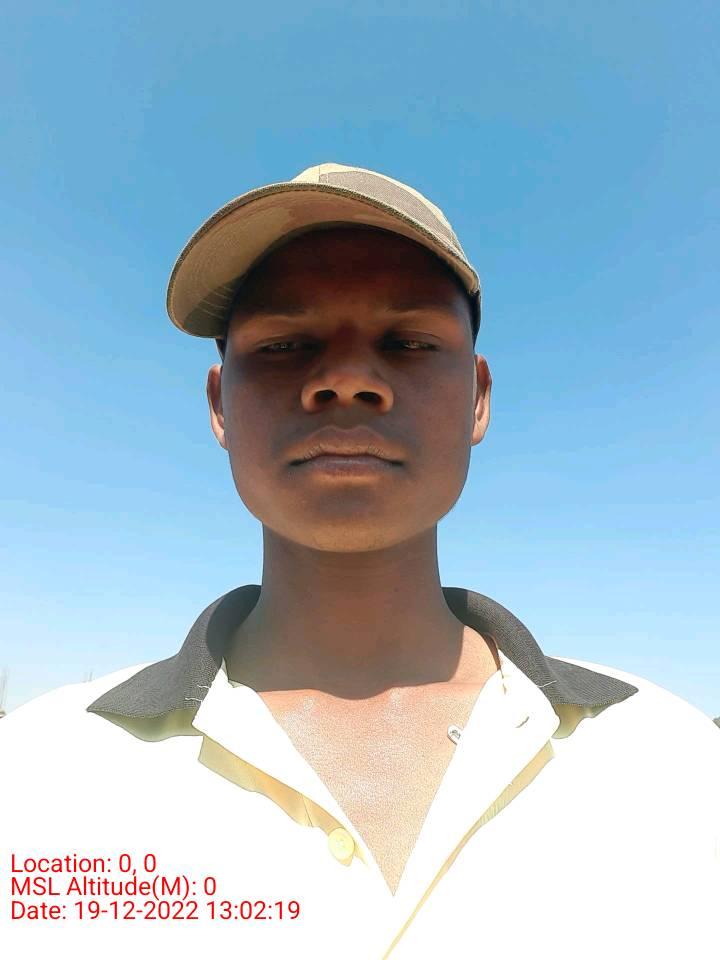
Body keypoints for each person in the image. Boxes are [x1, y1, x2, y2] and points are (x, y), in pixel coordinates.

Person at [1, 163, 718, 960]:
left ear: (478, 399)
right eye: (286, 345)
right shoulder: (38, 775)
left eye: (409, 342)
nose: (344, 379)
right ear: (218, 405)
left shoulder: (674, 763)